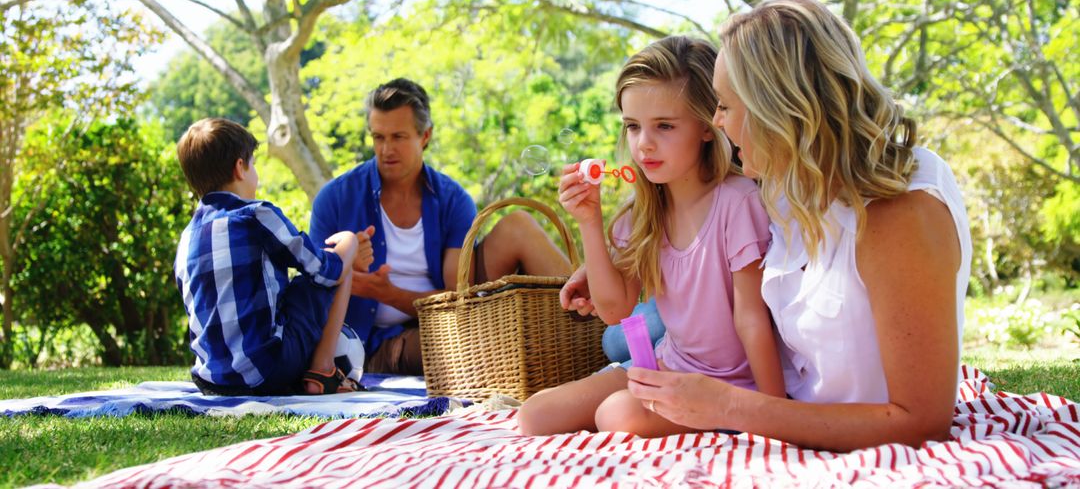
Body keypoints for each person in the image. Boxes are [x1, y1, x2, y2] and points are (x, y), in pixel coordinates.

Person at [605, 0, 974, 451]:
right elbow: (697, 211)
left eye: (725, 106)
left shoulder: (901, 210)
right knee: (623, 341)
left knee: (618, 384)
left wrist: (727, 406)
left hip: (831, 430)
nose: (717, 124)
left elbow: (921, 424)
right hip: (748, 378)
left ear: (780, 110)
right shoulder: (793, 181)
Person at [517, 36, 787, 438]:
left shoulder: (737, 202)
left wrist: (773, 413)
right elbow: (614, 311)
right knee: (534, 415)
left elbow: (751, 319)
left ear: (707, 127)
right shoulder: (644, 214)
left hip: (730, 387)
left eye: (664, 126)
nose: (644, 144)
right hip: (668, 367)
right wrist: (589, 221)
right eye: (632, 126)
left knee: (617, 416)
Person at [310, 78, 572, 376]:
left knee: (519, 225)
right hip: (379, 341)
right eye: (378, 137)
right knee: (475, 344)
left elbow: (458, 297)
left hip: (449, 318)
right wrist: (345, 265)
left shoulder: (452, 198)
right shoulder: (335, 198)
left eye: (398, 137)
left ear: (425, 136)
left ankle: (595, 326)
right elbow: (314, 294)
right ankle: (534, 348)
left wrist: (386, 292)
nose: (386, 150)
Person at [175, 118, 371, 396]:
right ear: (240, 168)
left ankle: (315, 371)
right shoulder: (256, 215)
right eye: (252, 163)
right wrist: (349, 243)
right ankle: (323, 370)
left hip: (212, 381)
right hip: (268, 370)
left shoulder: (186, 237)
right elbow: (326, 271)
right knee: (337, 265)